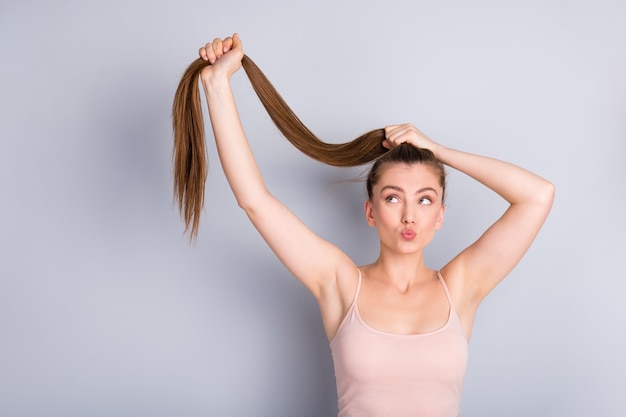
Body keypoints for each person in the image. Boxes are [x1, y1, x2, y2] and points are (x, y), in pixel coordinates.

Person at [181, 33, 555, 417]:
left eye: (425, 199)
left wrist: (438, 150)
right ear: (370, 212)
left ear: (440, 214)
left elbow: (538, 196)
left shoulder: (461, 287)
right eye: (393, 198)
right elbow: (255, 201)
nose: (409, 215)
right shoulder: (340, 283)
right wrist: (216, 85)